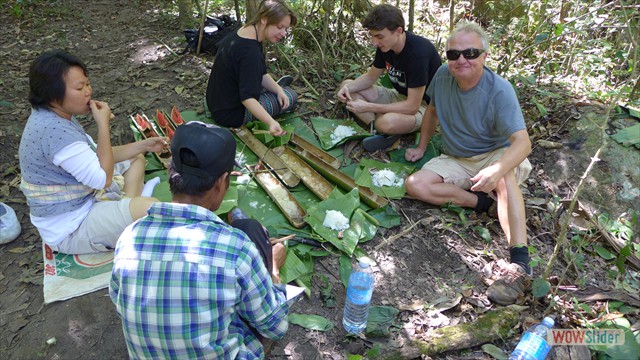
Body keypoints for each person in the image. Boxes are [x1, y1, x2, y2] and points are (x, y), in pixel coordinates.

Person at [109, 122, 289, 359]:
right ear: (221, 182)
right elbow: (276, 327)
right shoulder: (235, 248)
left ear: (169, 172)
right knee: (251, 246)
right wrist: (274, 271)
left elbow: (117, 299)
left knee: (247, 230)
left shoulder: (130, 237)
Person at [404, 22, 533, 306]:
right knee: (415, 184)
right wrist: (421, 147)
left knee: (504, 179)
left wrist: (497, 168)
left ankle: (520, 260)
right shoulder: (441, 75)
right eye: (453, 54)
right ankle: (481, 204)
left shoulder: (500, 90)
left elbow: (523, 143)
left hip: (494, 153)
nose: (461, 59)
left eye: (470, 53)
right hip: (456, 157)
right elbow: (432, 112)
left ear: (484, 56)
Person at [19, 50, 167, 255]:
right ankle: (130, 208)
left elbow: (97, 157)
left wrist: (144, 145)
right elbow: (102, 179)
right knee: (151, 209)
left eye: (87, 84)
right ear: (53, 96)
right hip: (71, 228)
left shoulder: (53, 115)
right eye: (80, 87)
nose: (88, 91)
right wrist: (103, 125)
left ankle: (126, 205)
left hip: (83, 201)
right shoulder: (55, 133)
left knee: (135, 157)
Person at [336, 4, 441, 152]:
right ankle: (377, 128)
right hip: (399, 96)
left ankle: (383, 126)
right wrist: (347, 88)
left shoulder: (418, 53)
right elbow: (371, 77)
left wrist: (369, 107)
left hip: (424, 108)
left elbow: (412, 106)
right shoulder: (385, 46)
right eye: (372, 36)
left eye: (379, 36)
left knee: (387, 122)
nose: (374, 42)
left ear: (399, 31)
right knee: (347, 85)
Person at [206, 0, 298, 136]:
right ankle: (270, 93)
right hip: (231, 114)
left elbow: (261, 73)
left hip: (216, 102)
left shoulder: (246, 32)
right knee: (291, 96)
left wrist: (278, 90)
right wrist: (271, 122)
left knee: (281, 92)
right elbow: (247, 98)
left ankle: (273, 89)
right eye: (280, 27)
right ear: (264, 19)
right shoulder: (250, 54)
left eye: (286, 28)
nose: (283, 33)